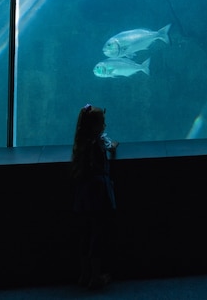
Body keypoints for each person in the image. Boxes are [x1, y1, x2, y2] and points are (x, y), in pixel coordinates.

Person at [70, 104, 119, 289]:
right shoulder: (98, 142)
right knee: (97, 235)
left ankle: (84, 274)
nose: (105, 126)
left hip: (83, 195)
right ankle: (96, 276)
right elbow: (112, 147)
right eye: (103, 123)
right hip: (98, 194)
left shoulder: (80, 143)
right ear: (96, 126)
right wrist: (113, 144)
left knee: (85, 234)